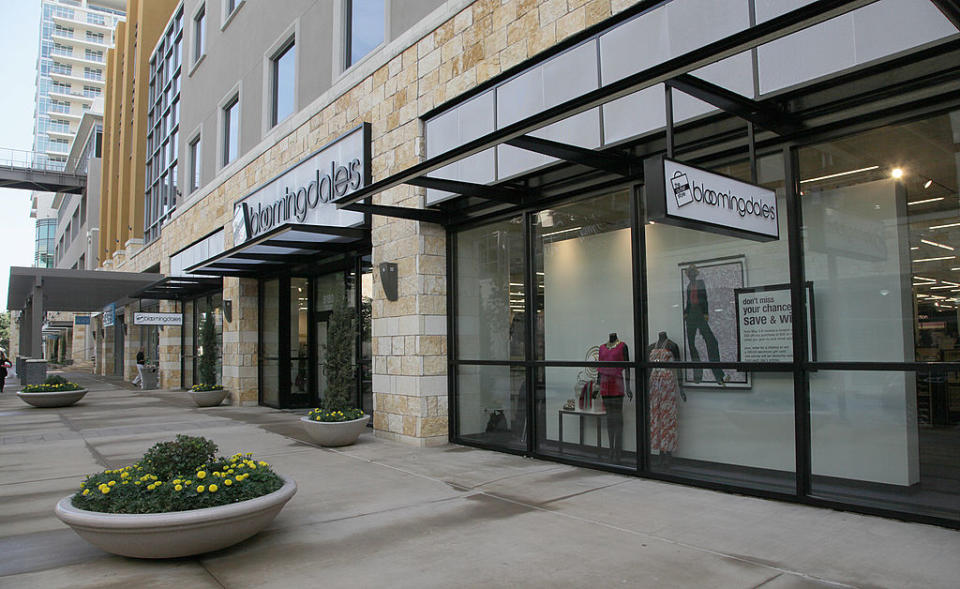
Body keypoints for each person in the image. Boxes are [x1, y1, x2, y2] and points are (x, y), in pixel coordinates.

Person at [683, 265, 727, 386]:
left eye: (693, 273)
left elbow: (704, 299)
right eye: (689, 274)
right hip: (691, 315)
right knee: (691, 345)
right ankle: (698, 375)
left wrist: (706, 313)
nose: (691, 276)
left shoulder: (700, 283)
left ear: (695, 274)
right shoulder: (688, 287)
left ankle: (718, 375)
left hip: (699, 313)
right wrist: (686, 313)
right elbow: (688, 302)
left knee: (711, 341)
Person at [597, 332, 632, 462]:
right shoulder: (602, 348)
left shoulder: (623, 346)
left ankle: (618, 450)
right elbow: (599, 368)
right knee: (609, 417)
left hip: (617, 383)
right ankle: (610, 449)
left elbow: (628, 367)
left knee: (618, 418)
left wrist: (628, 387)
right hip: (605, 385)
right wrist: (597, 385)